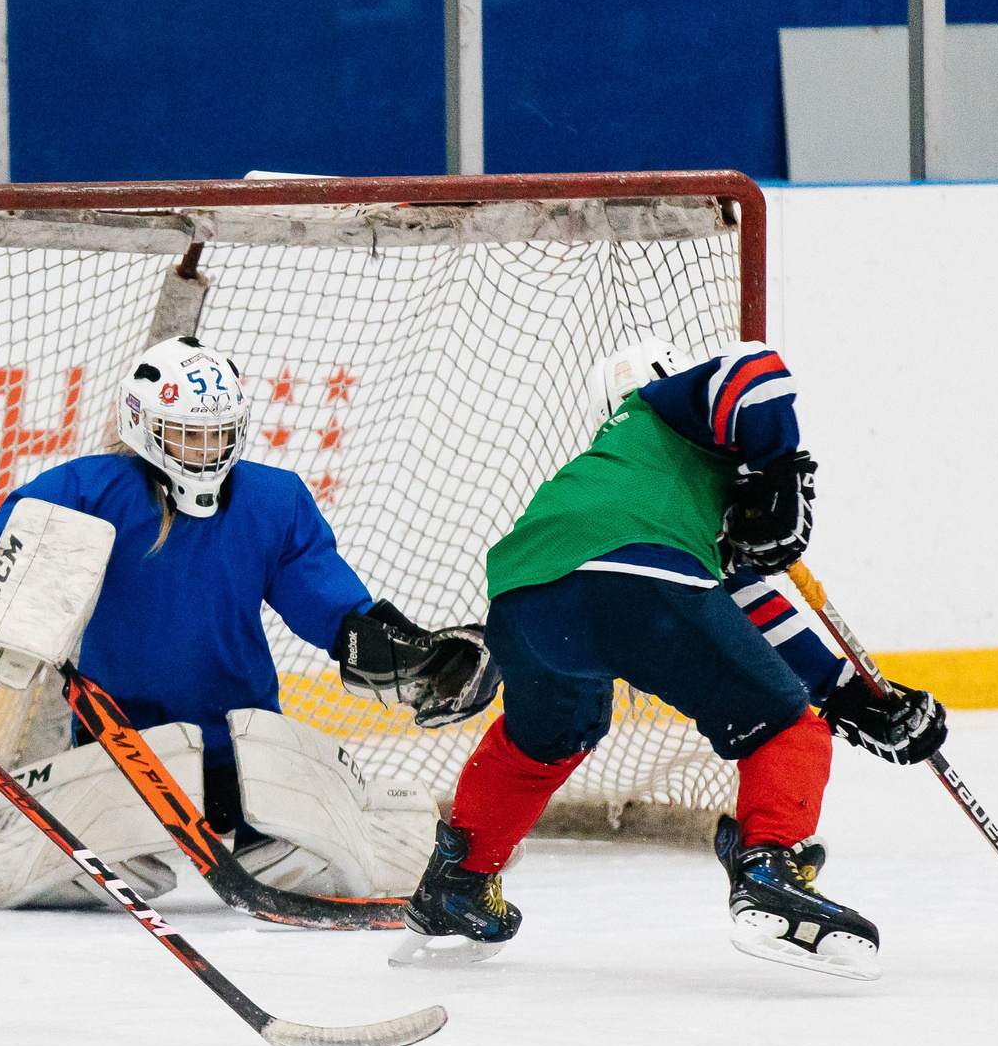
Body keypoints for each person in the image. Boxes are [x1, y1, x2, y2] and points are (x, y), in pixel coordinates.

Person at [398, 339, 947, 979]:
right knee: (787, 726)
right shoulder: (679, 409)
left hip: (524, 599)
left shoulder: (620, 472)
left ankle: (455, 886)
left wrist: (852, 693)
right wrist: (777, 471)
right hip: (637, 581)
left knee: (547, 740)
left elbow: (749, 614)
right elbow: (758, 371)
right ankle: (769, 869)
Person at [0, 335, 473, 907]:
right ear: (143, 424)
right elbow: (8, 537)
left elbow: (320, 593)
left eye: (220, 432)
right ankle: (42, 848)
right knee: (108, 878)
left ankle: (382, 835)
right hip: (123, 748)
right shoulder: (90, 490)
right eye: (189, 433)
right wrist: (22, 607)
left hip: (243, 762)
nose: (207, 450)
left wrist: (387, 647)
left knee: (305, 863)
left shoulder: (272, 499)